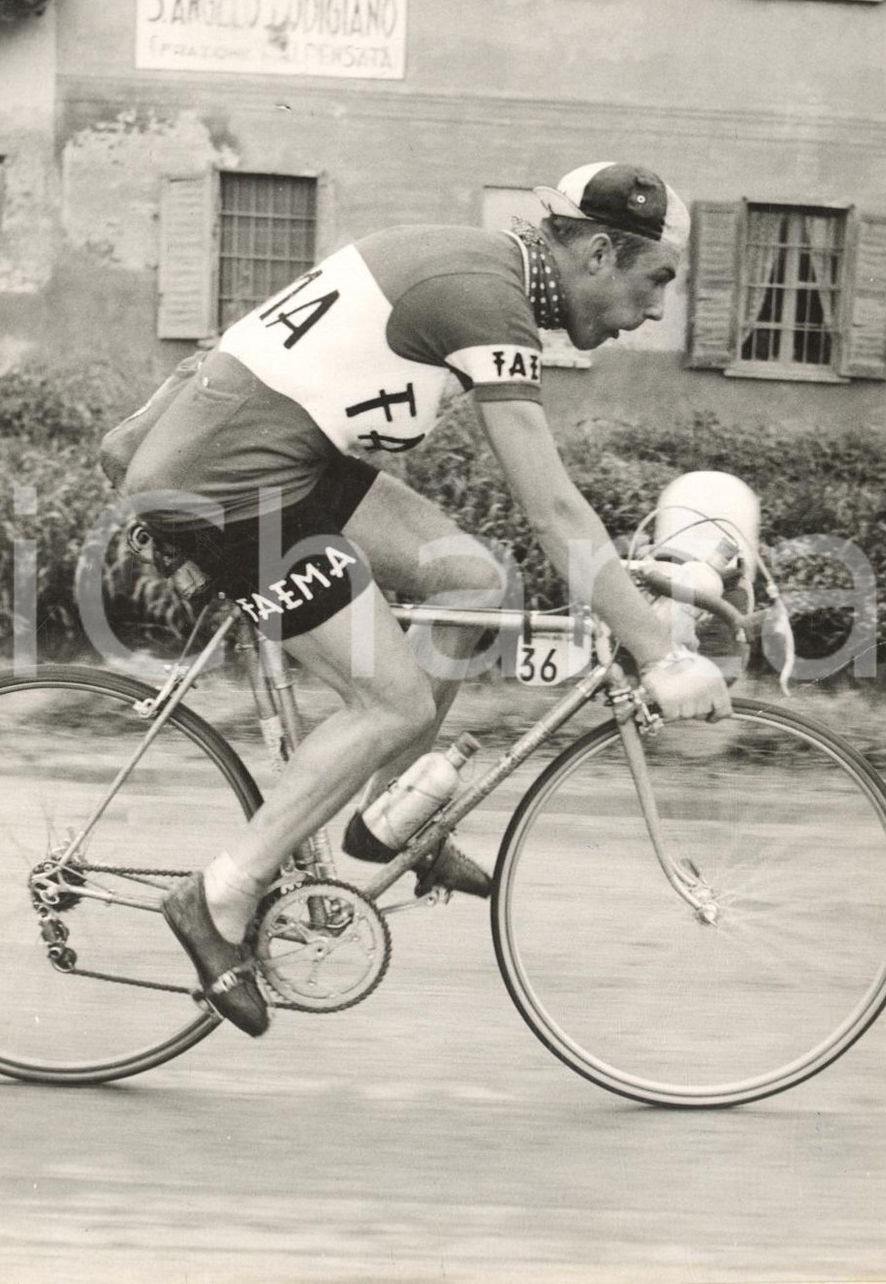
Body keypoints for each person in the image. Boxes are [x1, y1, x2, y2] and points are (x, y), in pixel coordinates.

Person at [102, 160, 731, 1038]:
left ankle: (388, 815)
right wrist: (660, 654)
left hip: (286, 462)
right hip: (229, 486)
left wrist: (133, 449)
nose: (658, 309)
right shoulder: (486, 297)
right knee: (390, 700)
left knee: (470, 581)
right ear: (597, 253)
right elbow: (551, 508)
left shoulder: (479, 266)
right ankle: (220, 896)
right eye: (655, 279)